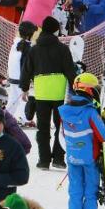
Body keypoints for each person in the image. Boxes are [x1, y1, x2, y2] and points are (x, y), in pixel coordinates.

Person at [60, 73, 105, 209]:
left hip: (73, 158)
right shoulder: (90, 112)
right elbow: (103, 135)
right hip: (90, 160)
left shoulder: (64, 110)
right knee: (90, 193)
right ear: (90, 90)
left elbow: (64, 134)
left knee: (75, 192)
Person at [22, 16, 76, 170]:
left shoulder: (34, 49)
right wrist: (77, 89)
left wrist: (25, 88)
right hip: (59, 94)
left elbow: (26, 70)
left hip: (41, 93)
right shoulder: (63, 49)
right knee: (60, 127)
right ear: (55, 30)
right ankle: (58, 158)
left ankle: (44, 160)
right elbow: (70, 71)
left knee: (43, 128)